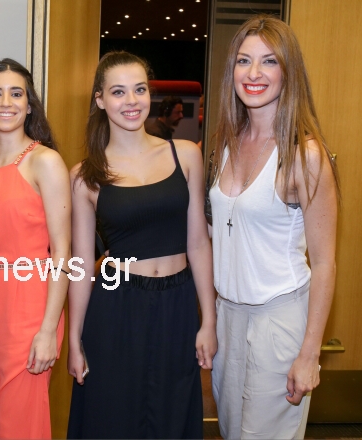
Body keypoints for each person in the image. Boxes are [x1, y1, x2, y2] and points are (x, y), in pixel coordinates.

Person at [66, 51, 217, 439]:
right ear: (100, 99)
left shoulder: (185, 153)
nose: (131, 101)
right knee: (113, 418)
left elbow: (199, 243)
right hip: (116, 307)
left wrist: (209, 320)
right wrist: (74, 339)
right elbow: (80, 265)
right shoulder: (85, 176)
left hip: (178, 305)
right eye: (118, 92)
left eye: (140, 89)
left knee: (171, 415)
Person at [209, 15, 339, 439]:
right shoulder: (226, 143)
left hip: (278, 320)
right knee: (231, 432)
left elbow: (325, 263)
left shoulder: (305, 155)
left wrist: (310, 354)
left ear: (288, 71)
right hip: (229, 317)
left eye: (269, 61)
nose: (254, 73)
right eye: (244, 60)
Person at [0, 58, 70, 439]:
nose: (5, 102)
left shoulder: (46, 163)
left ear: (29, 105)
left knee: (20, 422)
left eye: (16, 93)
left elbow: (63, 254)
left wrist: (48, 330)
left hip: (30, 306)